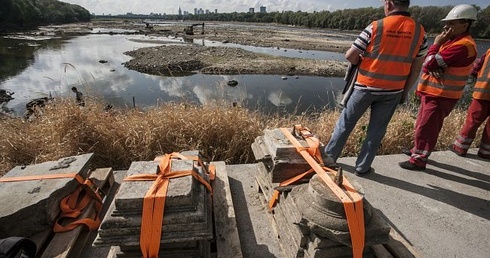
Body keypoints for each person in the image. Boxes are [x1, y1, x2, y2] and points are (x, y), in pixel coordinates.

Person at [322, 0, 428, 176]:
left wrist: (361, 62)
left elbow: (350, 55)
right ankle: (362, 167)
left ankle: (330, 159)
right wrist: (404, 92)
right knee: (376, 131)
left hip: (365, 86)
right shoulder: (420, 32)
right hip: (393, 90)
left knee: (345, 124)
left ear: (389, 3)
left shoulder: (376, 26)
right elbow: (416, 68)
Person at [399, 4, 478, 170]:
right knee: (422, 124)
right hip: (434, 92)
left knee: (427, 127)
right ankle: (417, 151)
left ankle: (419, 160)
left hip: (441, 95)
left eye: (451, 23)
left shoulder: (463, 46)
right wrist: (433, 60)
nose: (446, 27)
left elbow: (429, 62)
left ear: (465, 24)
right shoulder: (452, 42)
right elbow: (431, 64)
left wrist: (435, 45)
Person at [449, 48, 490, 159]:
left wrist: (473, 74)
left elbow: (477, 66)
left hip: (483, 92)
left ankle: (460, 147)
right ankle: (486, 152)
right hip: (483, 91)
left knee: (472, 121)